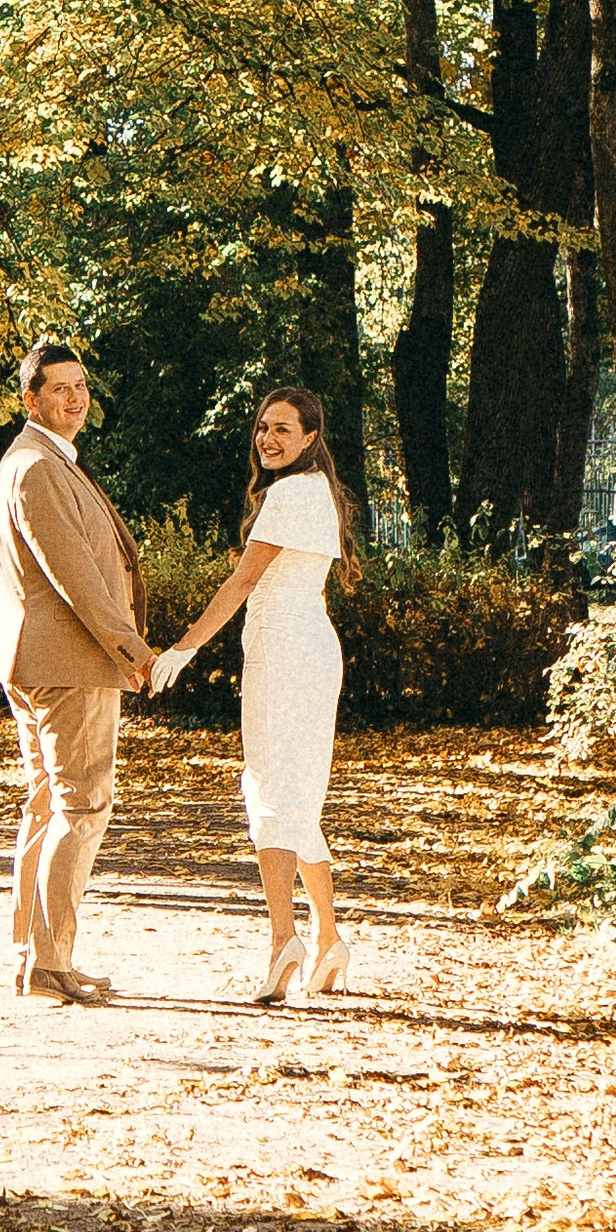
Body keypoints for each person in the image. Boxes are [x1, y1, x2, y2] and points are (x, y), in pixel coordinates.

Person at [151, 385, 356, 1004]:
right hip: (309, 647)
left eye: (284, 431)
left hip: (284, 648)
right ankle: (328, 937)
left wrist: (182, 648)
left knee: (269, 789)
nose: (268, 439)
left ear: (311, 440)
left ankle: (282, 941)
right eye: (264, 428)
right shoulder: (314, 491)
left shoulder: (293, 492)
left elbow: (243, 580)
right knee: (297, 793)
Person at [0, 338, 155, 1004]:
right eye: (60, 388)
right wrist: (132, 649)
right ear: (32, 400)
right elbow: (77, 579)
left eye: (82, 385)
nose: (75, 397)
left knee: (48, 806)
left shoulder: (48, 461)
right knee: (82, 806)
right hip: (68, 664)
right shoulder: (34, 466)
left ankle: (40, 955)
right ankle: (50, 962)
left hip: (49, 661)